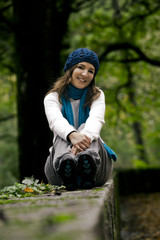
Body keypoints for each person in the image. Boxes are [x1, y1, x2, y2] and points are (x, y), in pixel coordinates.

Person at [44, 48, 117, 190]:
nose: (85, 74)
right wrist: (72, 135)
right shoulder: (52, 98)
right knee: (62, 133)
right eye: (81, 67)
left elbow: (96, 120)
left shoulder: (97, 95)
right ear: (70, 69)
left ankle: (87, 162)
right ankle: (67, 164)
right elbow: (56, 121)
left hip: (97, 171)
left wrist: (82, 139)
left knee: (86, 127)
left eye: (91, 71)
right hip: (58, 174)